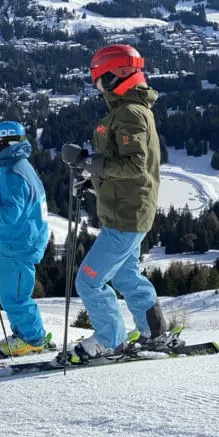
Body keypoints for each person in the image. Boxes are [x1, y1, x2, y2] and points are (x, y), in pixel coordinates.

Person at [60, 44, 174, 363]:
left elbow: (134, 165)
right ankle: (154, 331)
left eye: (99, 80)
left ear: (117, 76)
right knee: (126, 276)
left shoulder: (130, 113)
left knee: (89, 280)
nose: (97, 87)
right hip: (127, 211)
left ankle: (110, 340)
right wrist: (90, 172)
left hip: (126, 215)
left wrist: (88, 161)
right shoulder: (126, 110)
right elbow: (116, 164)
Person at [0, 121, 53, 357]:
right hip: (21, 241)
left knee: (14, 296)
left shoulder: (13, 175)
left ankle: (32, 339)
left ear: (5, 144)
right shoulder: (18, 167)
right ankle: (26, 334)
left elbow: (9, 214)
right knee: (12, 293)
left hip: (19, 245)